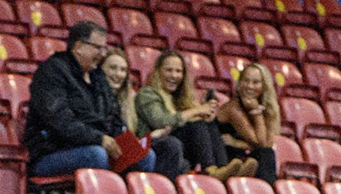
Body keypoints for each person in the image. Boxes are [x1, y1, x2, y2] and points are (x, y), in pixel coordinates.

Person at [23, 22, 156, 178]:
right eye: (98, 48)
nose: (102, 54)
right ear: (79, 46)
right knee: (97, 155)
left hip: (95, 146)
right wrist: (99, 139)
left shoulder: (97, 76)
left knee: (146, 156)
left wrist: (123, 141)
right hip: (52, 152)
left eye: (104, 48)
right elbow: (60, 121)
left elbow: (113, 116)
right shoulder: (52, 72)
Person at [136, 51, 236, 179]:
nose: (174, 75)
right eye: (169, 70)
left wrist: (204, 115)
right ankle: (210, 169)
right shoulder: (147, 94)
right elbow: (159, 121)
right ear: (158, 72)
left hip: (180, 146)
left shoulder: (180, 98)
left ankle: (223, 169)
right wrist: (196, 111)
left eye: (178, 71)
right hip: (158, 144)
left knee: (207, 125)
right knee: (196, 125)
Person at [102, 49, 184, 179]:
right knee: (160, 150)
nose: (118, 74)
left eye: (123, 70)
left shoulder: (128, 99)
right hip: (105, 147)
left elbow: (132, 136)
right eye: (113, 68)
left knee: (175, 152)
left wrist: (150, 137)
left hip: (124, 148)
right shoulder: (94, 95)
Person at [215, 61, 280, 183]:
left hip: (245, 157)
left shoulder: (266, 108)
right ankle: (266, 193)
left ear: (264, 86)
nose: (250, 86)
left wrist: (237, 143)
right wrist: (256, 112)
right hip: (226, 158)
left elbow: (267, 144)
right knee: (264, 154)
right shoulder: (233, 107)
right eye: (246, 81)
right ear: (240, 83)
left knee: (266, 154)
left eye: (255, 82)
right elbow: (259, 142)